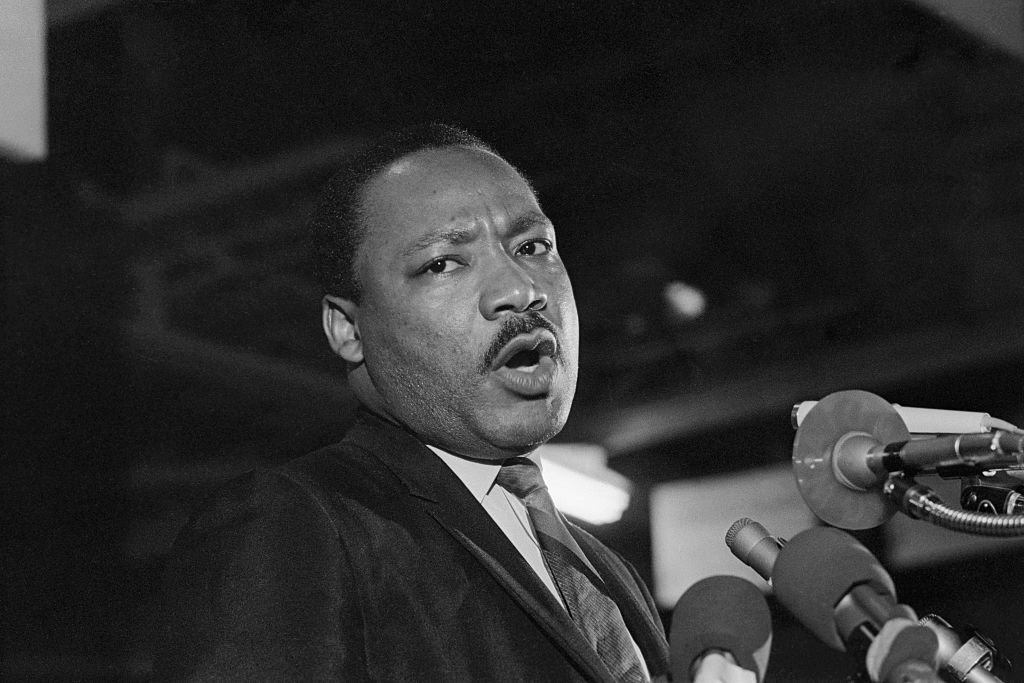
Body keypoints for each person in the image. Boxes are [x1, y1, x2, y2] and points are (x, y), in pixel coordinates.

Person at [157, 124, 673, 681]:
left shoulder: (610, 574)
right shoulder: (294, 524)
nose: (521, 289)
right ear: (349, 329)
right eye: (443, 263)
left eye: (532, 247)